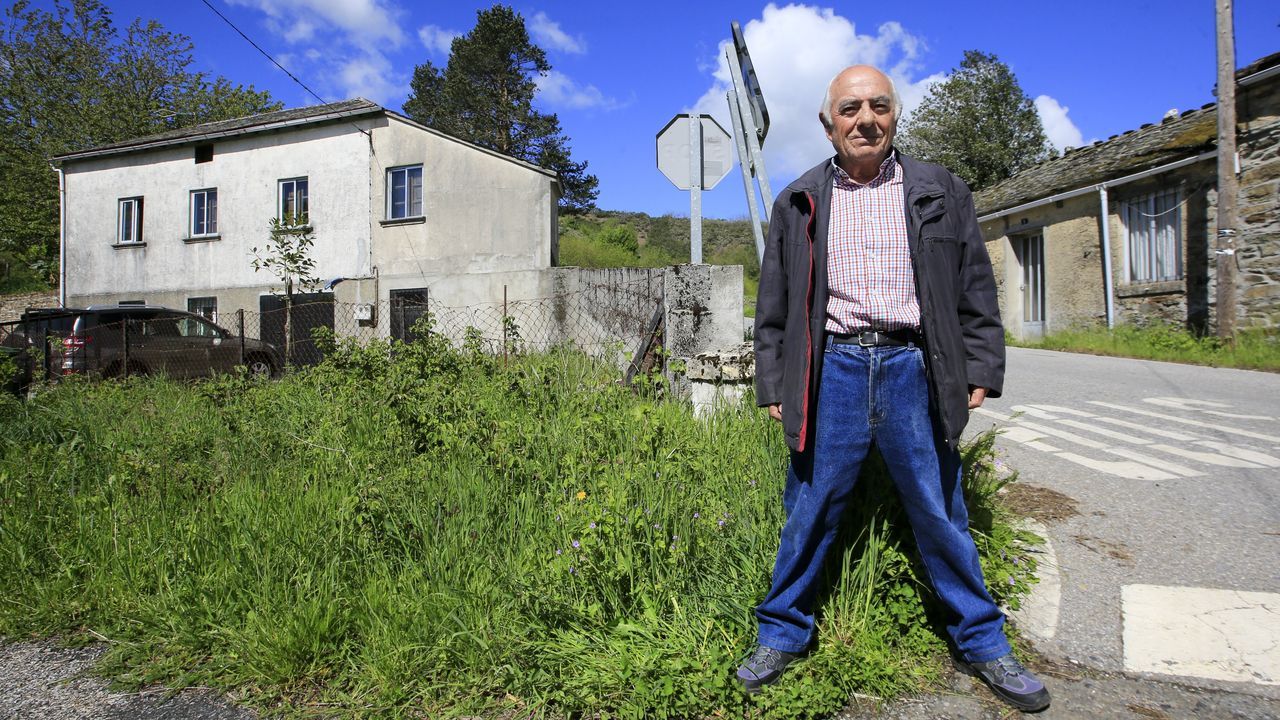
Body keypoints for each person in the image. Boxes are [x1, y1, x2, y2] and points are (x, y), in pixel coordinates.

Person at [735, 64, 1050, 713]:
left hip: (916, 369)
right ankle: (781, 632)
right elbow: (775, 306)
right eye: (850, 109)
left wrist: (982, 367)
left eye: (878, 106)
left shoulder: (941, 190)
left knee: (941, 513)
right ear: (828, 124)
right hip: (834, 373)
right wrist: (774, 381)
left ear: (895, 117)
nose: (865, 119)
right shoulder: (797, 200)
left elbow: (974, 288)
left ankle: (984, 642)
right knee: (811, 509)